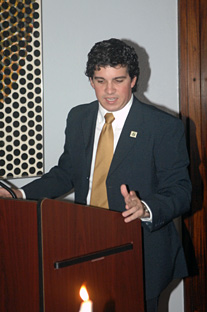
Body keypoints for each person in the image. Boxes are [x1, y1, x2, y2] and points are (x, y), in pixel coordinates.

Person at [0, 38, 191, 311]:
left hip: (140, 251)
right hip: (85, 244)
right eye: (100, 80)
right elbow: (66, 172)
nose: (109, 91)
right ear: (91, 80)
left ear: (134, 80)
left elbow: (181, 191)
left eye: (118, 80)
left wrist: (146, 207)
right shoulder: (78, 117)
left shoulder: (163, 126)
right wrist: (19, 193)